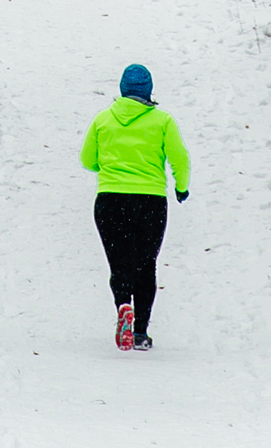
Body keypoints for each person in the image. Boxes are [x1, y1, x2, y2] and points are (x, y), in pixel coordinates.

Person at [78, 62, 189, 349]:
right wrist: (181, 187)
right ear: (149, 90)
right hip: (150, 202)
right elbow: (180, 159)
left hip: (110, 200)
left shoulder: (103, 119)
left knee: (119, 263)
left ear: (122, 89)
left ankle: (122, 306)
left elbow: (87, 160)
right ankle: (140, 332)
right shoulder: (163, 121)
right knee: (145, 264)